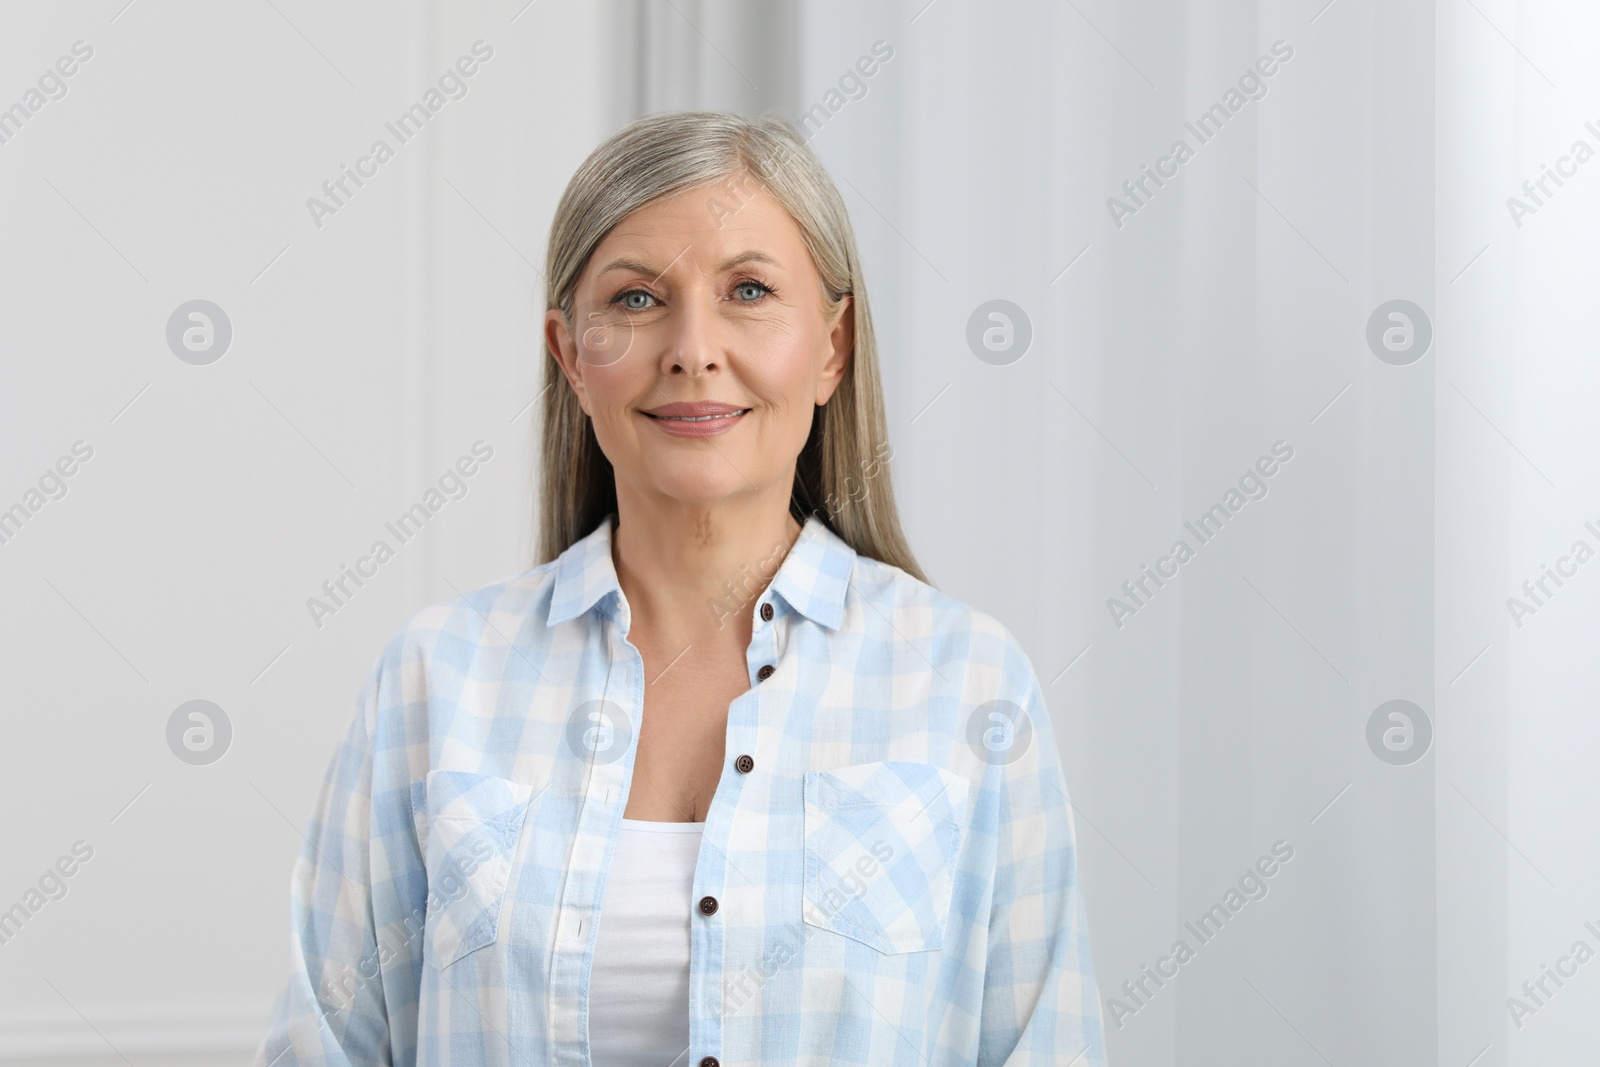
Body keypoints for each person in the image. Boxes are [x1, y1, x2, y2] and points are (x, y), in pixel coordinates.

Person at [254, 110, 1105, 1067]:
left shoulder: (967, 684)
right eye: (635, 300)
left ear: (832, 346)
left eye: (748, 289)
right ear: (571, 355)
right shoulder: (434, 679)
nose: (693, 348)